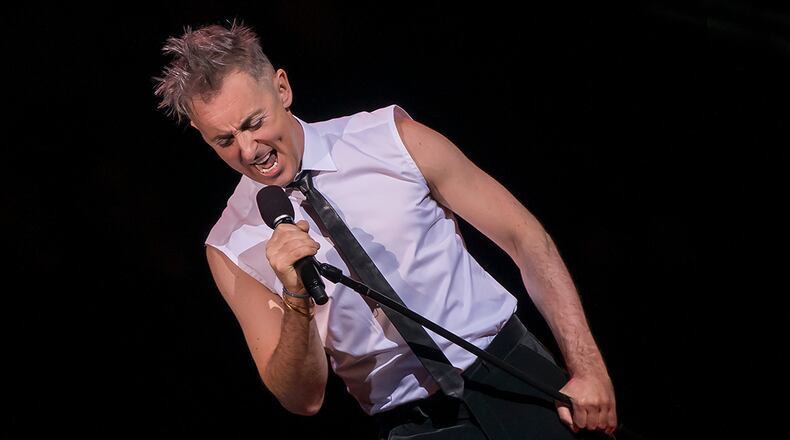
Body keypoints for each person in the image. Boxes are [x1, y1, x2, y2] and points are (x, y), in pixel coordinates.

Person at [155, 21, 616, 439]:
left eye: (254, 123)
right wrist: (295, 297)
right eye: (224, 140)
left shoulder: (387, 137)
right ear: (201, 135)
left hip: (514, 372)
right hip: (415, 425)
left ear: (282, 88)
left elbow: (525, 238)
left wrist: (588, 367)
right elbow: (303, 398)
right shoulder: (231, 245)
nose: (249, 149)